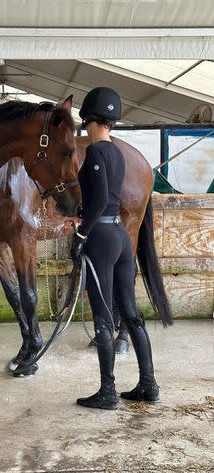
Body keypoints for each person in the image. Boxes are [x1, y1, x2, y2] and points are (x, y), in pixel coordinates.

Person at [71, 87, 159, 410]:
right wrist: (85, 210)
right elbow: (106, 198)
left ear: (89, 119)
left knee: (104, 317)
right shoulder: (119, 154)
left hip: (102, 239)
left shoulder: (94, 153)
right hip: (121, 236)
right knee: (130, 312)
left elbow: (101, 198)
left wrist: (82, 232)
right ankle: (148, 384)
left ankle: (107, 391)